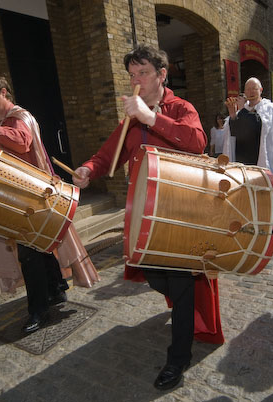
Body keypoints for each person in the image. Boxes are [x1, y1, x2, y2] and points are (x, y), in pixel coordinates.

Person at [72, 44, 224, 391]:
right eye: (132, 74)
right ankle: (179, 311)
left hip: (181, 211)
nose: (135, 80)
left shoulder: (180, 108)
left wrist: (152, 117)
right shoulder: (130, 117)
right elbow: (108, 153)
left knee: (182, 284)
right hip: (144, 210)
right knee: (157, 275)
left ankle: (178, 357)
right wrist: (87, 169)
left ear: (161, 75)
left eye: (142, 73)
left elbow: (197, 142)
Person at [0, 67, 99, 334]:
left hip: (33, 196)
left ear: (3, 92)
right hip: (23, 197)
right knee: (39, 249)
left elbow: (21, 142)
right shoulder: (3, 120)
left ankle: (38, 310)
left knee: (30, 255)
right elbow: (0, 153)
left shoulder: (19, 117)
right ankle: (56, 290)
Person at [223, 78, 273, 188]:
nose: (251, 92)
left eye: (254, 89)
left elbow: (259, 126)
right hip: (242, 159)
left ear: (261, 90)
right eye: (248, 89)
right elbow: (235, 133)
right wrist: (233, 115)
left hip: (260, 158)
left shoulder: (269, 108)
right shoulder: (242, 110)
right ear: (245, 92)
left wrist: (243, 111)